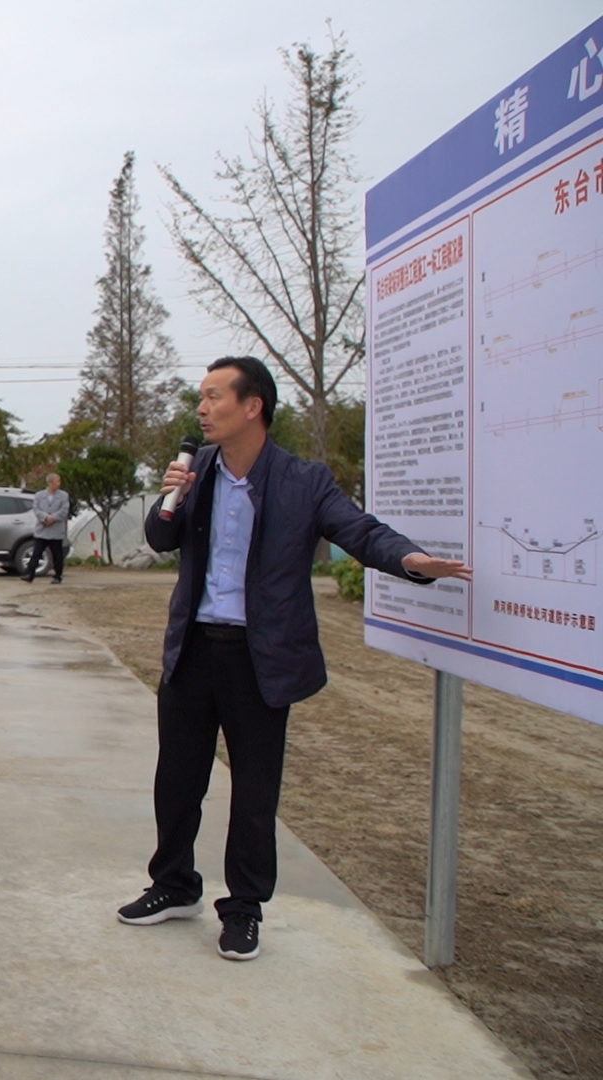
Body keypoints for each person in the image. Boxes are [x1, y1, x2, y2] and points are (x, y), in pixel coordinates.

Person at [118, 356, 471, 961]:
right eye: (201, 397)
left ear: (252, 406)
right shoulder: (197, 471)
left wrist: (410, 561)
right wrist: (170, 497)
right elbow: (160, 538)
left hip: (261, 658)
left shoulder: (303, 481)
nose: (202, 409)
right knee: (176, 780)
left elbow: (360, 531)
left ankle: (244, 908)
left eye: (214, 396)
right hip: (193, 650)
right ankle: (173, 885)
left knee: (255, 791)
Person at [24, 473, 69, 584]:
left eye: (59, 481)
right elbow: (36, 509)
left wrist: (53, 517)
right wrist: (45, 517)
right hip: (42, 529)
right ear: (50, 483)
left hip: (56, 530)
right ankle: (29, 574)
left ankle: (57, 576)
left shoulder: (63, 496)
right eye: (57, 481)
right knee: (36, 553)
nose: (59, 484)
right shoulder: (39, 495)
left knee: (57, 555)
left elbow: (64, 510)